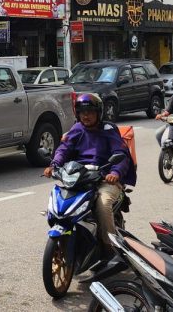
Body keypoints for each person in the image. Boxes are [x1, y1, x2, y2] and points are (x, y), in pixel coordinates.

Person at [46, 94, 135, 245]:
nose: (86, 116)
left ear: (98, 113)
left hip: (105, 179)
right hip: (80, 178)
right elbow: (63, 149)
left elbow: (121, 153)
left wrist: (115, 172)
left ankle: (110, 246)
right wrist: (54, 165)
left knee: (103, 204)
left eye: (90, 112)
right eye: (82, 112)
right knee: (61, 202)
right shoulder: (76, 129)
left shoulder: (108, 129)